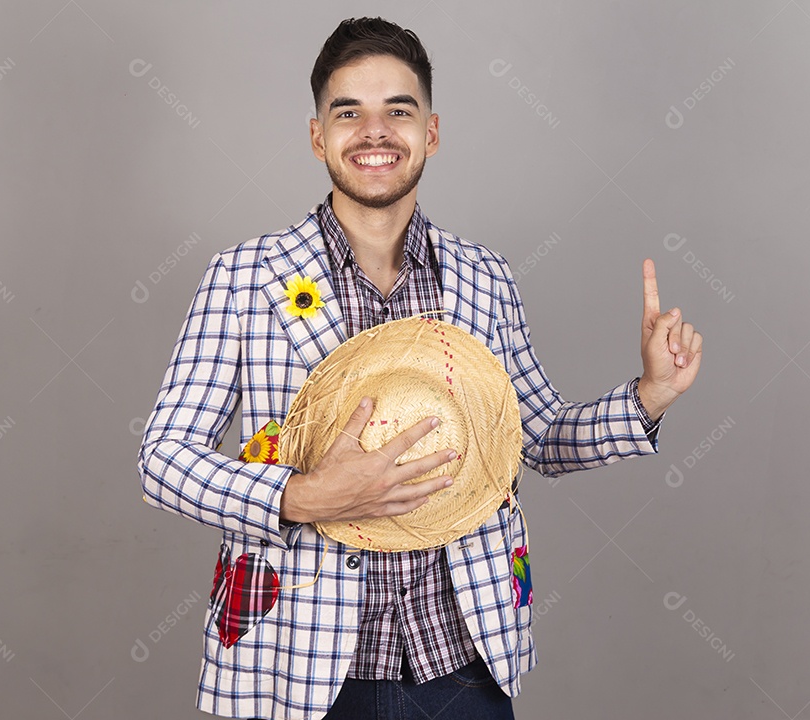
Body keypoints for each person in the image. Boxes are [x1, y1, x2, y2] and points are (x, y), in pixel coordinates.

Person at [137, 16, 702, 720]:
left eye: (397, 111)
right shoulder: (244, 278)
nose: (374, 132)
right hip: (296, 670)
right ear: (319, 137)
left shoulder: (483, 278)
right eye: (349, 113)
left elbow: (536, 438)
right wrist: (304, 497)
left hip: (461, 666)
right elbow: (162, 460)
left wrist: (649, 397)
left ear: (430, 133)